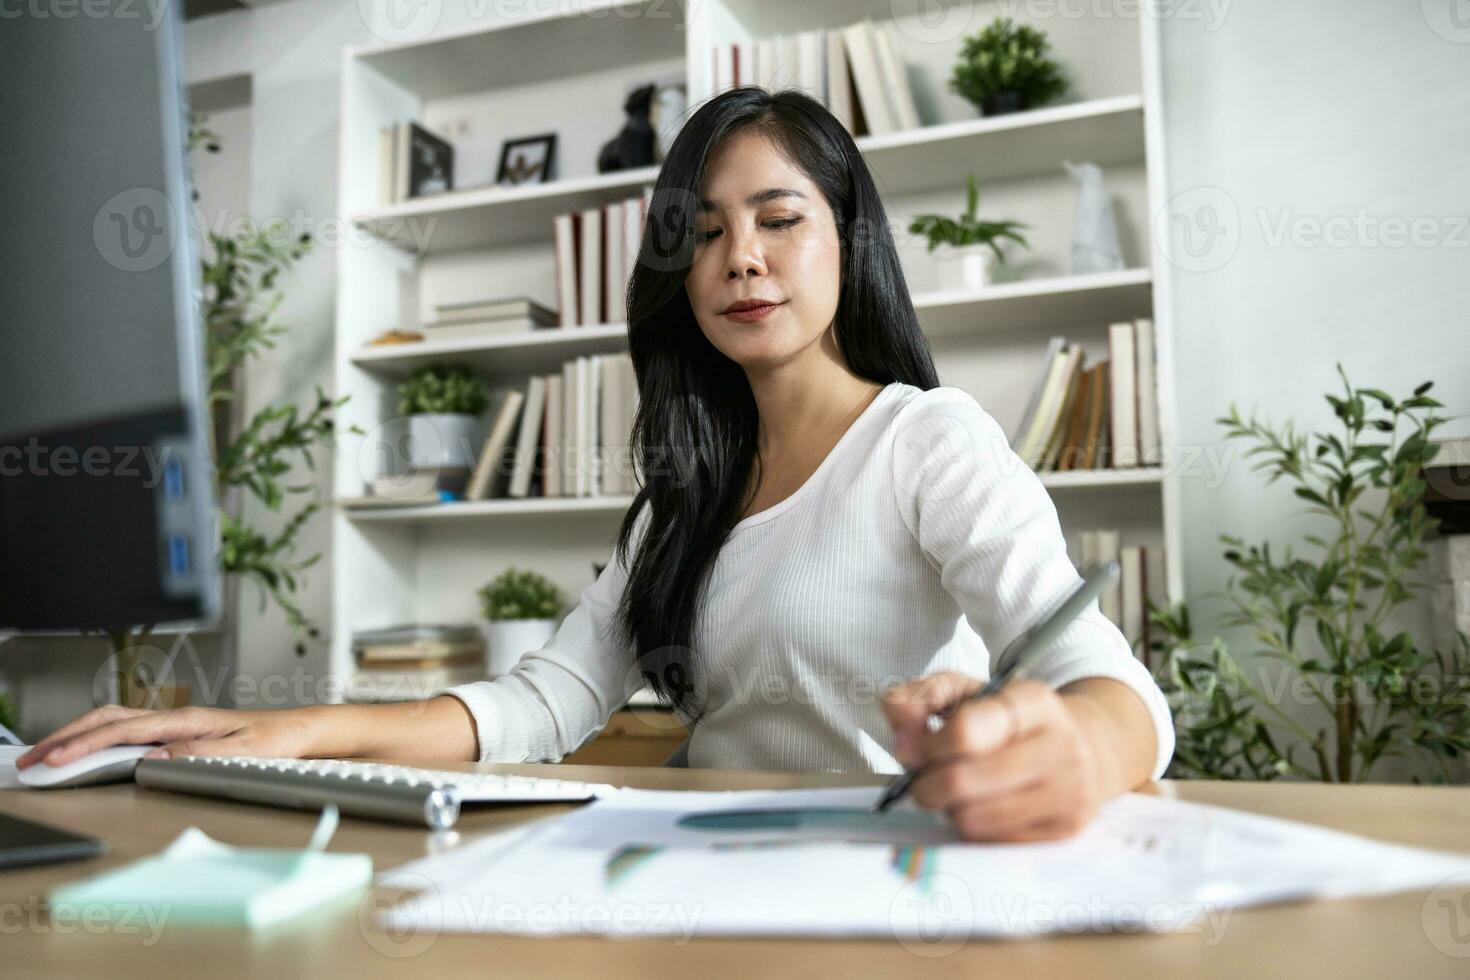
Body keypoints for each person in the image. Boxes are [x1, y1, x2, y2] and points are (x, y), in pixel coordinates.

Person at [17, 88, 1173, 842]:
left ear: (849, 241)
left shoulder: (929, 438)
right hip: (708, 884)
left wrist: (1077, 746)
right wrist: (278, 728)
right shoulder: (683, 497)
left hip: (888, 881)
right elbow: (536, 705)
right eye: (706, 231)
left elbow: (1119, 693)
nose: (743, 258)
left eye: (780, 218)